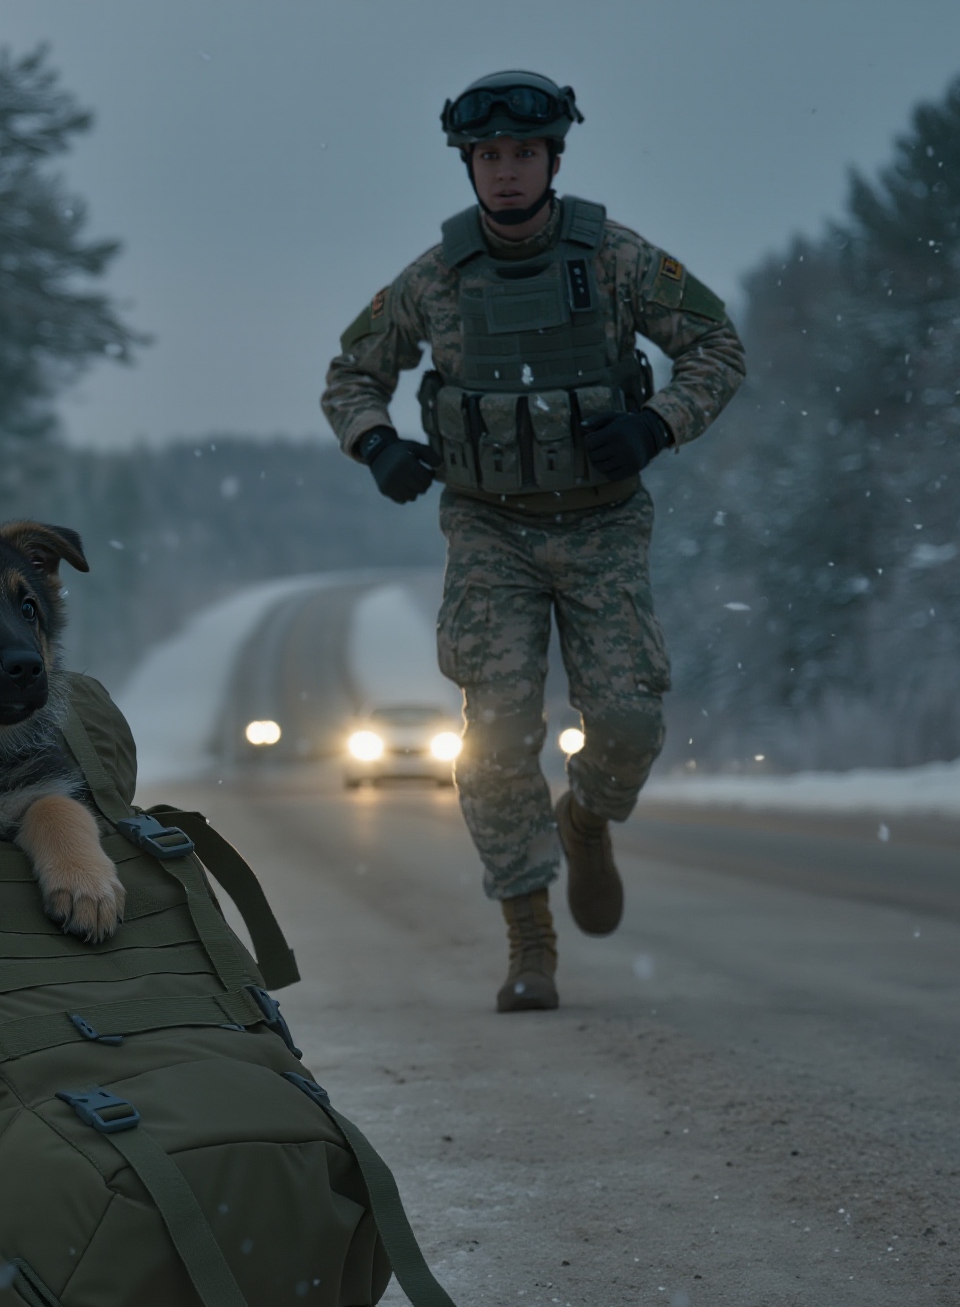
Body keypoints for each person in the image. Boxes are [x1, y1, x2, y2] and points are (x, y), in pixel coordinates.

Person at [320, 69, 745, 1012]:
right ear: (468, 165)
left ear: (552, 158)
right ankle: (528, 938)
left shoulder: (620, 262)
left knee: (629, 719)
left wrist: (659, 423)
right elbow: (351, 374)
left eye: (522, 154)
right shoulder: (435, 281)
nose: (505, 173)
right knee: (495, 741)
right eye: (488, 157)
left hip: (602, 524)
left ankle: (588, 818)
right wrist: (376, 442)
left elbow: (719, 348)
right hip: (489, 533)